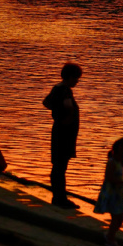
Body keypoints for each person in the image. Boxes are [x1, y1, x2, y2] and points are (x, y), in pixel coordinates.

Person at [43, 62, 82, 209]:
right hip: (64, 133)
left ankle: (58, 196)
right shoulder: (65, 90)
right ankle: (60, 198)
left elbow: (46, 102)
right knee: (60, 166)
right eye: (76, 78)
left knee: (58, 165)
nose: (77, 81)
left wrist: (58, 114)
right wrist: (66, 118)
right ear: (70, 77)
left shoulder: (57, 89)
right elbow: (66, 107)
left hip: (59, 131)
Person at [94, 138, 123, 246]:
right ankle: (110, 238)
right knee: (117, 217)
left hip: (118, 194)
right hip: (112, 193)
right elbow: (109, 178)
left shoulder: (120, 163)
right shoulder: (112, 162)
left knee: (120, 217)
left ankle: (110, 236)